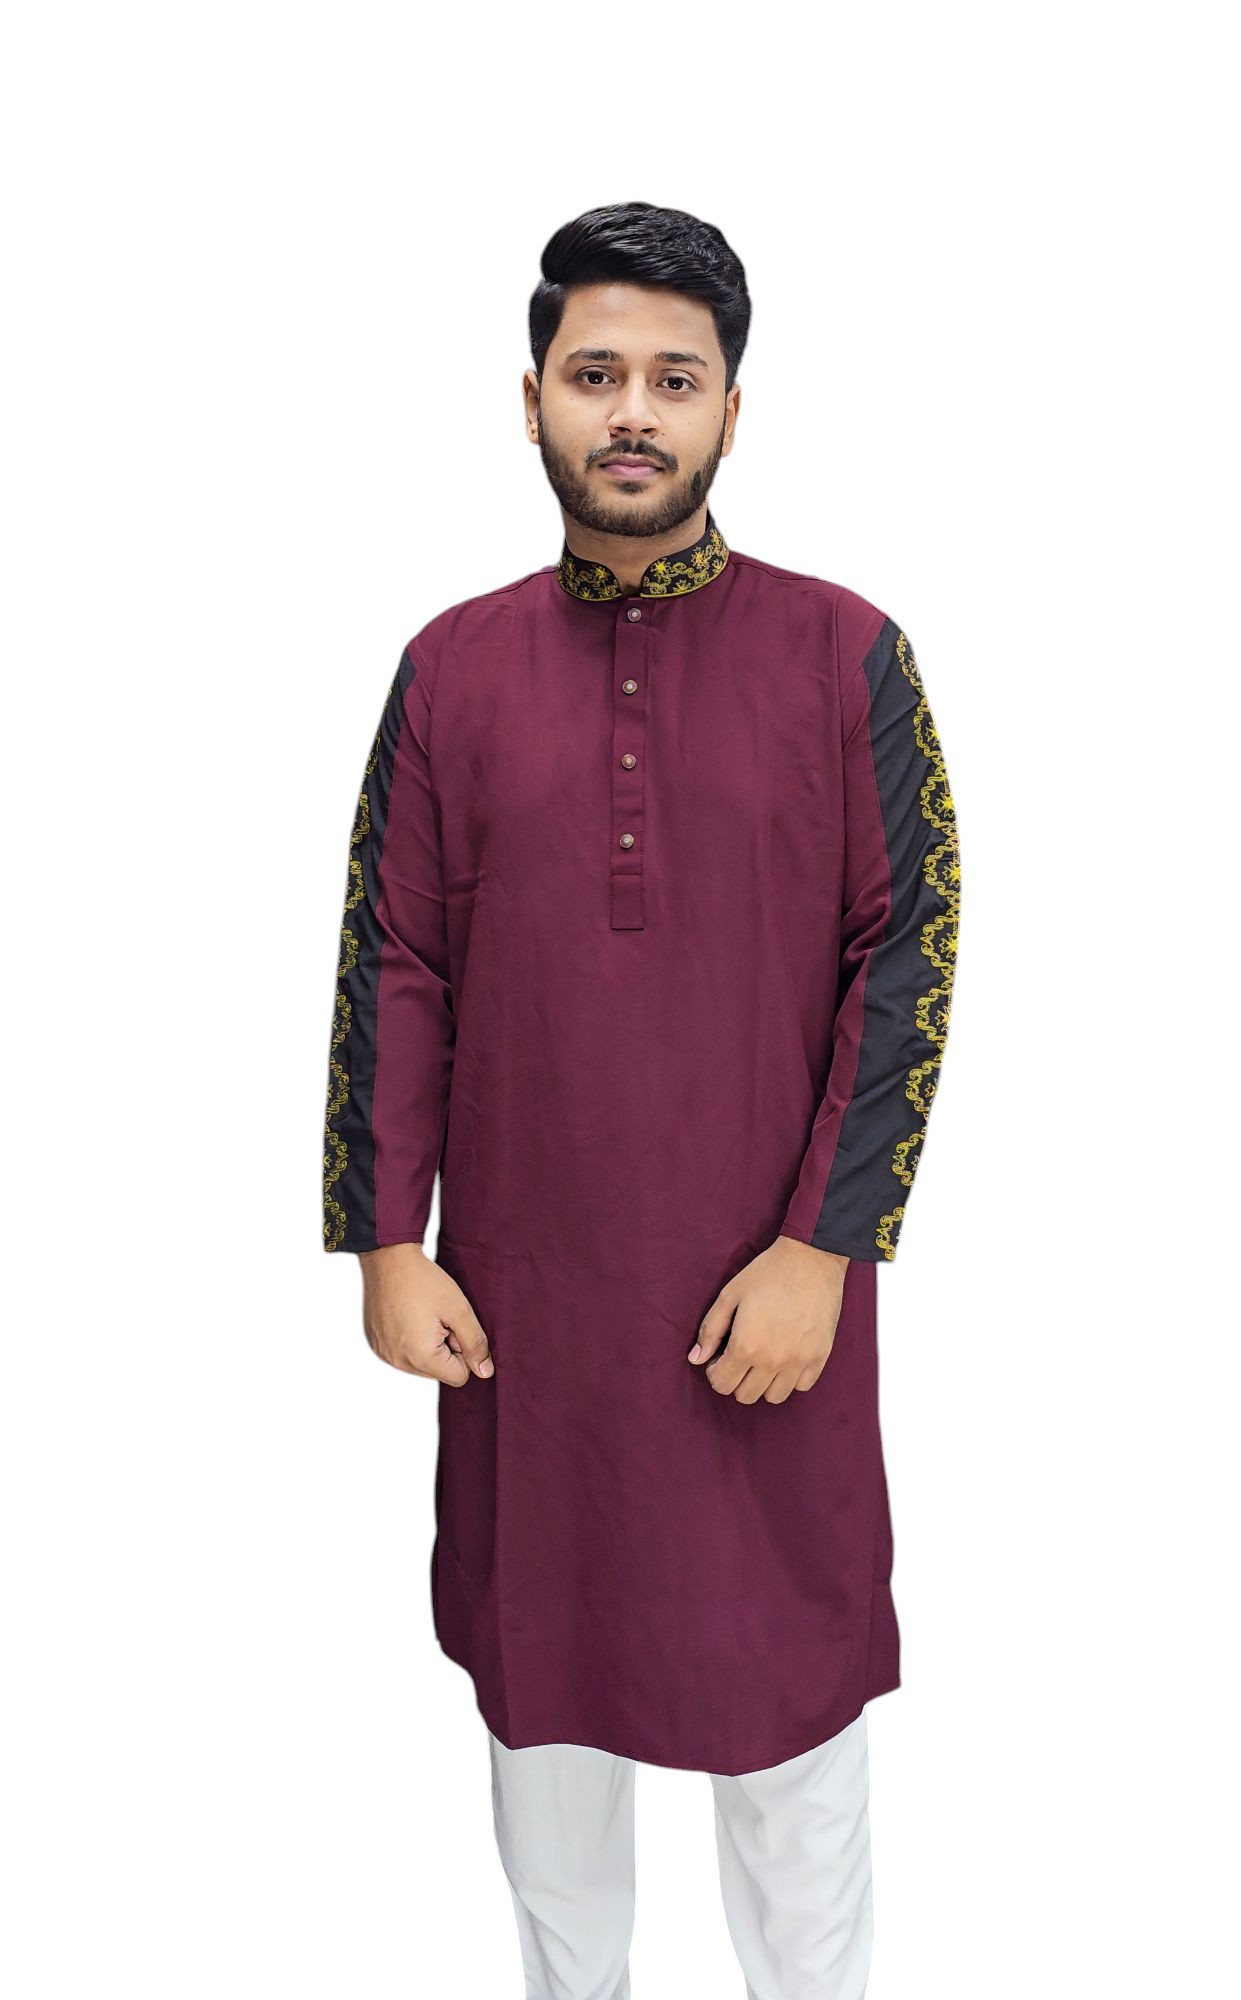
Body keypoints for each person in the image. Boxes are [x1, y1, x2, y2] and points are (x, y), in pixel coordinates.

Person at [321, 199, 961, 1999]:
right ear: (528, 397)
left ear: (730, 412)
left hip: (767, 1309)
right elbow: (392, 957)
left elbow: (906, 951)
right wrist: (385, 1240)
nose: (631, 411)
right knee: (546, 1736)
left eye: (673, 380)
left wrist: (823, 1251)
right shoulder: (451, 668)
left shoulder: (844, 653)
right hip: (527, 1317)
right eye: (593, 373)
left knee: (789, 1734)